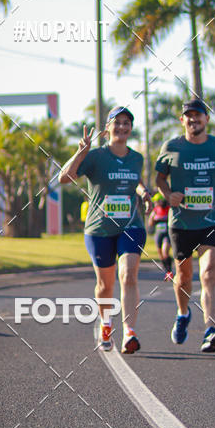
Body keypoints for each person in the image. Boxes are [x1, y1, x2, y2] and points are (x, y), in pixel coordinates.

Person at [155, 99, 215, 353]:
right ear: (182, 120)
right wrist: (167, 194)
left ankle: (211, 329)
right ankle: (183, 313)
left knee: (208, 273)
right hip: (182, 223)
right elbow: (160, 178)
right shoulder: (172, 146)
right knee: (184, 278)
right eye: (189, 116)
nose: (194, 119)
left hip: (210, 220)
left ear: (207, 119)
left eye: (199, 115)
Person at [59, 106, 153, 354]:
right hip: (99, 228)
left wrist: (145, 194)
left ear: (131, 128)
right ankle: (106, 324)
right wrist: (81, 153)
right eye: (117, 122)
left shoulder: (137, 158)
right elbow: (63, 178)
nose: (122, 127)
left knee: (128, 274)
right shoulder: (96, 156)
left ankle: (129, 333)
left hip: (131, 225)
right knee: (105, 285)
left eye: (126, 123)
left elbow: (137, 181)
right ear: (107, 127)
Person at [148, 193, 174, 279]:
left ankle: (169, 272)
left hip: (167, 234)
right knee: (161, 255)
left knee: (165, 251)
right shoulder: (155, 210)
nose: (156, 203)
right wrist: (153, 219)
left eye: (158, 201)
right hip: (158, 234)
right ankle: (166, 269)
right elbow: (150, 223)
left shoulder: (169, 209)